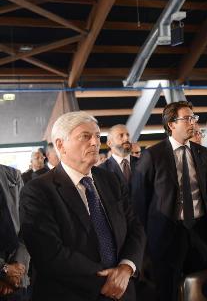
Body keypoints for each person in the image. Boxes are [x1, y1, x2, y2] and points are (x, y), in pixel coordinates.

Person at [20, 111, 146, 301]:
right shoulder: (38, 190)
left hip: (123, 290)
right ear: (61, 145)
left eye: (97, 136)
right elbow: (50, 253)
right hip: (71, 293)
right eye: (85, 136)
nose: (95, 143)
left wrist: (126, 268)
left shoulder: (110, 180)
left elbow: (135, 227)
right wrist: (109, 278)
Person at [133, 101, 207, 301]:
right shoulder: (152, 155)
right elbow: (139, 202)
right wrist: (143, 246)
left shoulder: (201, 153)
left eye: (193, 118)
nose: (193, 123)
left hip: (199, 232)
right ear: (171, 124)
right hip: (166, 235)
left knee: (199, 291)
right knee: (167, 291)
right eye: (187, 119)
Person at [0, 164, 29, 301]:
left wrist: (17, 270)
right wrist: (3, 270)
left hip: (15, 283)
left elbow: (26, 228)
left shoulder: (13, 175)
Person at [99, 124, 137, 192]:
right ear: (109, 143)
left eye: (128, 135)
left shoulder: (142, 163)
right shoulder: (102, 170)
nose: (126, 138)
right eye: (121, 135)